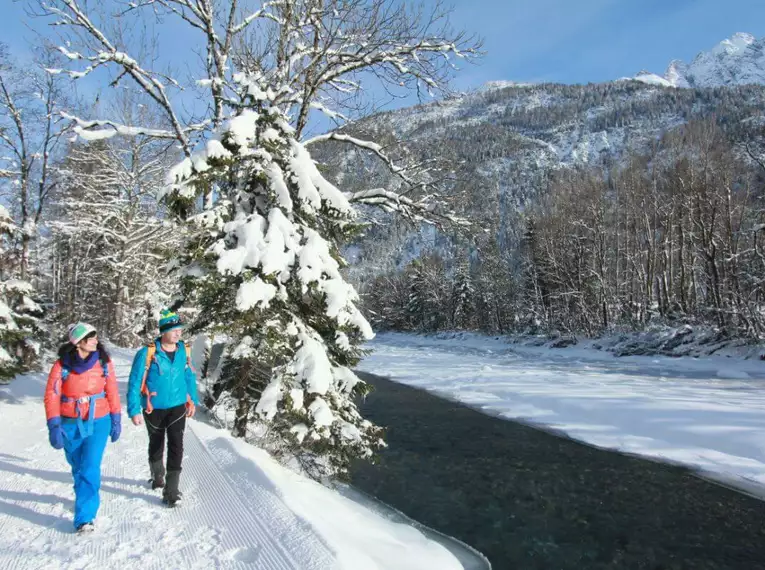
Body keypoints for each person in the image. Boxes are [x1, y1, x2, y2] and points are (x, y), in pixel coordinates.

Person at [44, 323, 122, 533]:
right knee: (77, 466)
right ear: (78, 342)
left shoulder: (104, 362)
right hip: (70, 422)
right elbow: (52, 395)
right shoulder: (62, 366)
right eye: (90, 337)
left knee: (90, 466)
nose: (96, 340)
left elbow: (112, 390)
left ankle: (85, 517)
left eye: (96, 336)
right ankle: (82, 496)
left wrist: (116, 417)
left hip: (99, 420)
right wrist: (53, 424)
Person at [127, 308, 198, 507]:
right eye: (174, 329)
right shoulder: (147, 353)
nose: (178, 333)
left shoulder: (184, 350)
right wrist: (133, 409)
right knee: (156, 443)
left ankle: (172, 490)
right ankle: (158, 475)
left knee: (177, 445)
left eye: (180, 329)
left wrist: (192, 400)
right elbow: (134, 382)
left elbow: (189, 376)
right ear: (163, 331)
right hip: (154, 408)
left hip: (177, 406)